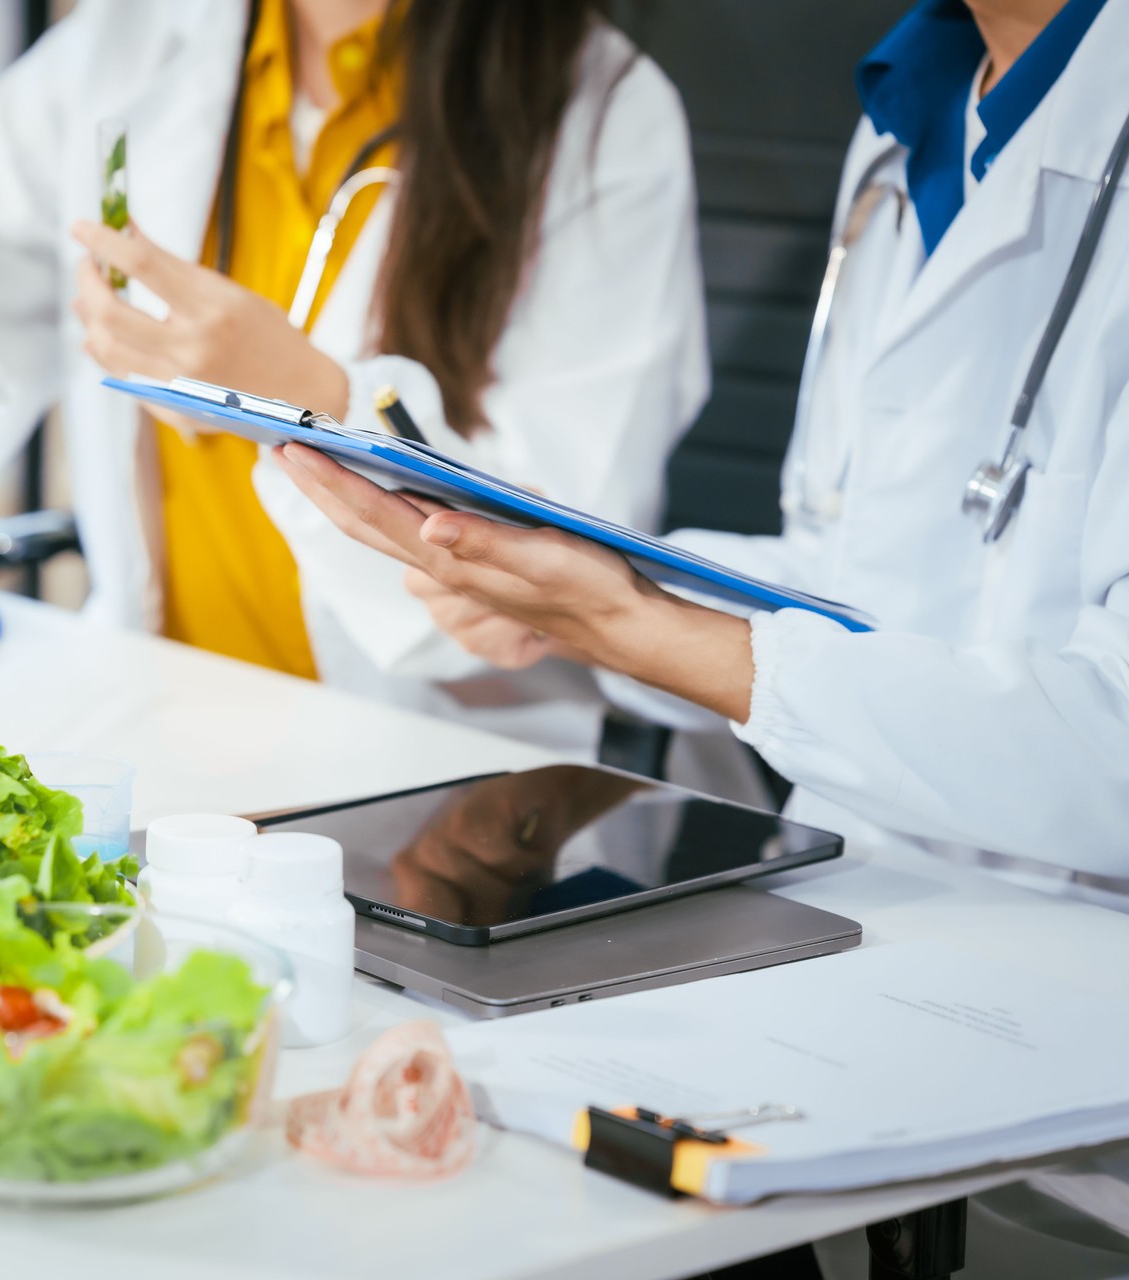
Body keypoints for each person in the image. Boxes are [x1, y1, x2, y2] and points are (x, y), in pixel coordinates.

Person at [277, 0, 1129, 1271]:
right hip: (881, 965)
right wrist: (573, 589)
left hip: (1080, 1107)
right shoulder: (911, 114)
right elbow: (864, 586)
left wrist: (632, 623)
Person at [0, 0, 707, 757]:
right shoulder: (129, 47)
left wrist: (311, 399)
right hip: (164, 733)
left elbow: (569, 572)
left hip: (452, 775)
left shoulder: (604, 113)